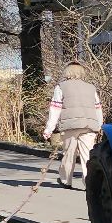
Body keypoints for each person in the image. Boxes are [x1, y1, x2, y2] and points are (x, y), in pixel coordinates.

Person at [43, 62, 104, 190]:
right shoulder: (91, 87)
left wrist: (49, 129)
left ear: (67, 72)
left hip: (69, 126)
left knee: (68, 153)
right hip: (89, 125)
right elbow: (98, 108)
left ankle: (66, 180)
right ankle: (89, 183)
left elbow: (55, 109)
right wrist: (99, 125)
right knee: (87, 155)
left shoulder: (61, 87)